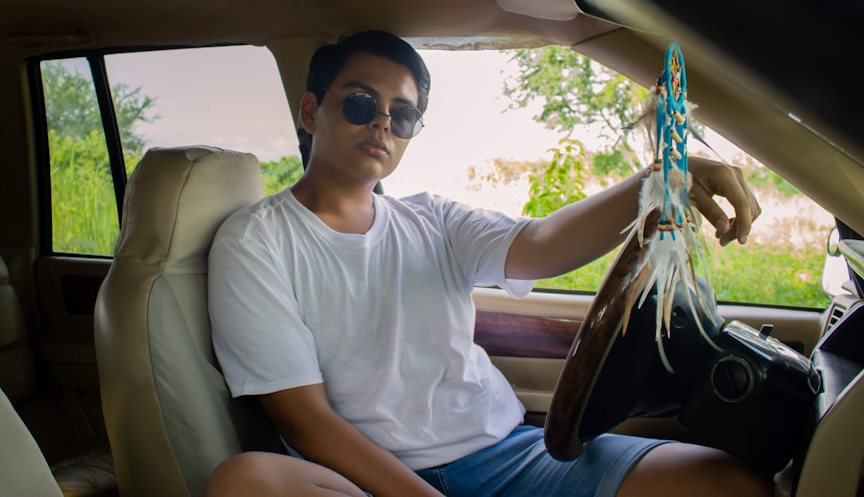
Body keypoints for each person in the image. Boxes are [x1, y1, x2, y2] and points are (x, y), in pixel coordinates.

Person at [206, 31, 769, 497]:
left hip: (509, 456)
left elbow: (543, 244)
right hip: (368, 480)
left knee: (729, 483)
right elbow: (306, 422)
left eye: (402, 116)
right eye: (359, 103)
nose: (381, 123)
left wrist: (663, 177)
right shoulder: (256, 242)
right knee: (247, 482)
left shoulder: (434, 220)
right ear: (311, 110)